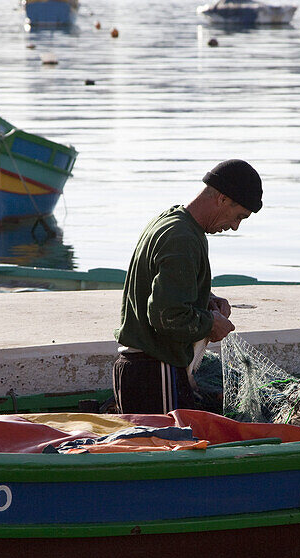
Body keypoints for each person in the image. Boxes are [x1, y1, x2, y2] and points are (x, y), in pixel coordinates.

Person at [113, 159, 263, 414]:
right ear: (223, 199)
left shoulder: (175, 222)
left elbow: (164, 289)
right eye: (239, 216)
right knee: (168, 450)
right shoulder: (182, 238)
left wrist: (206, 299)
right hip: (153, 371)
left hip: (142, 369)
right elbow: (166, 316)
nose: (235, 226)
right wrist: (211, 323)